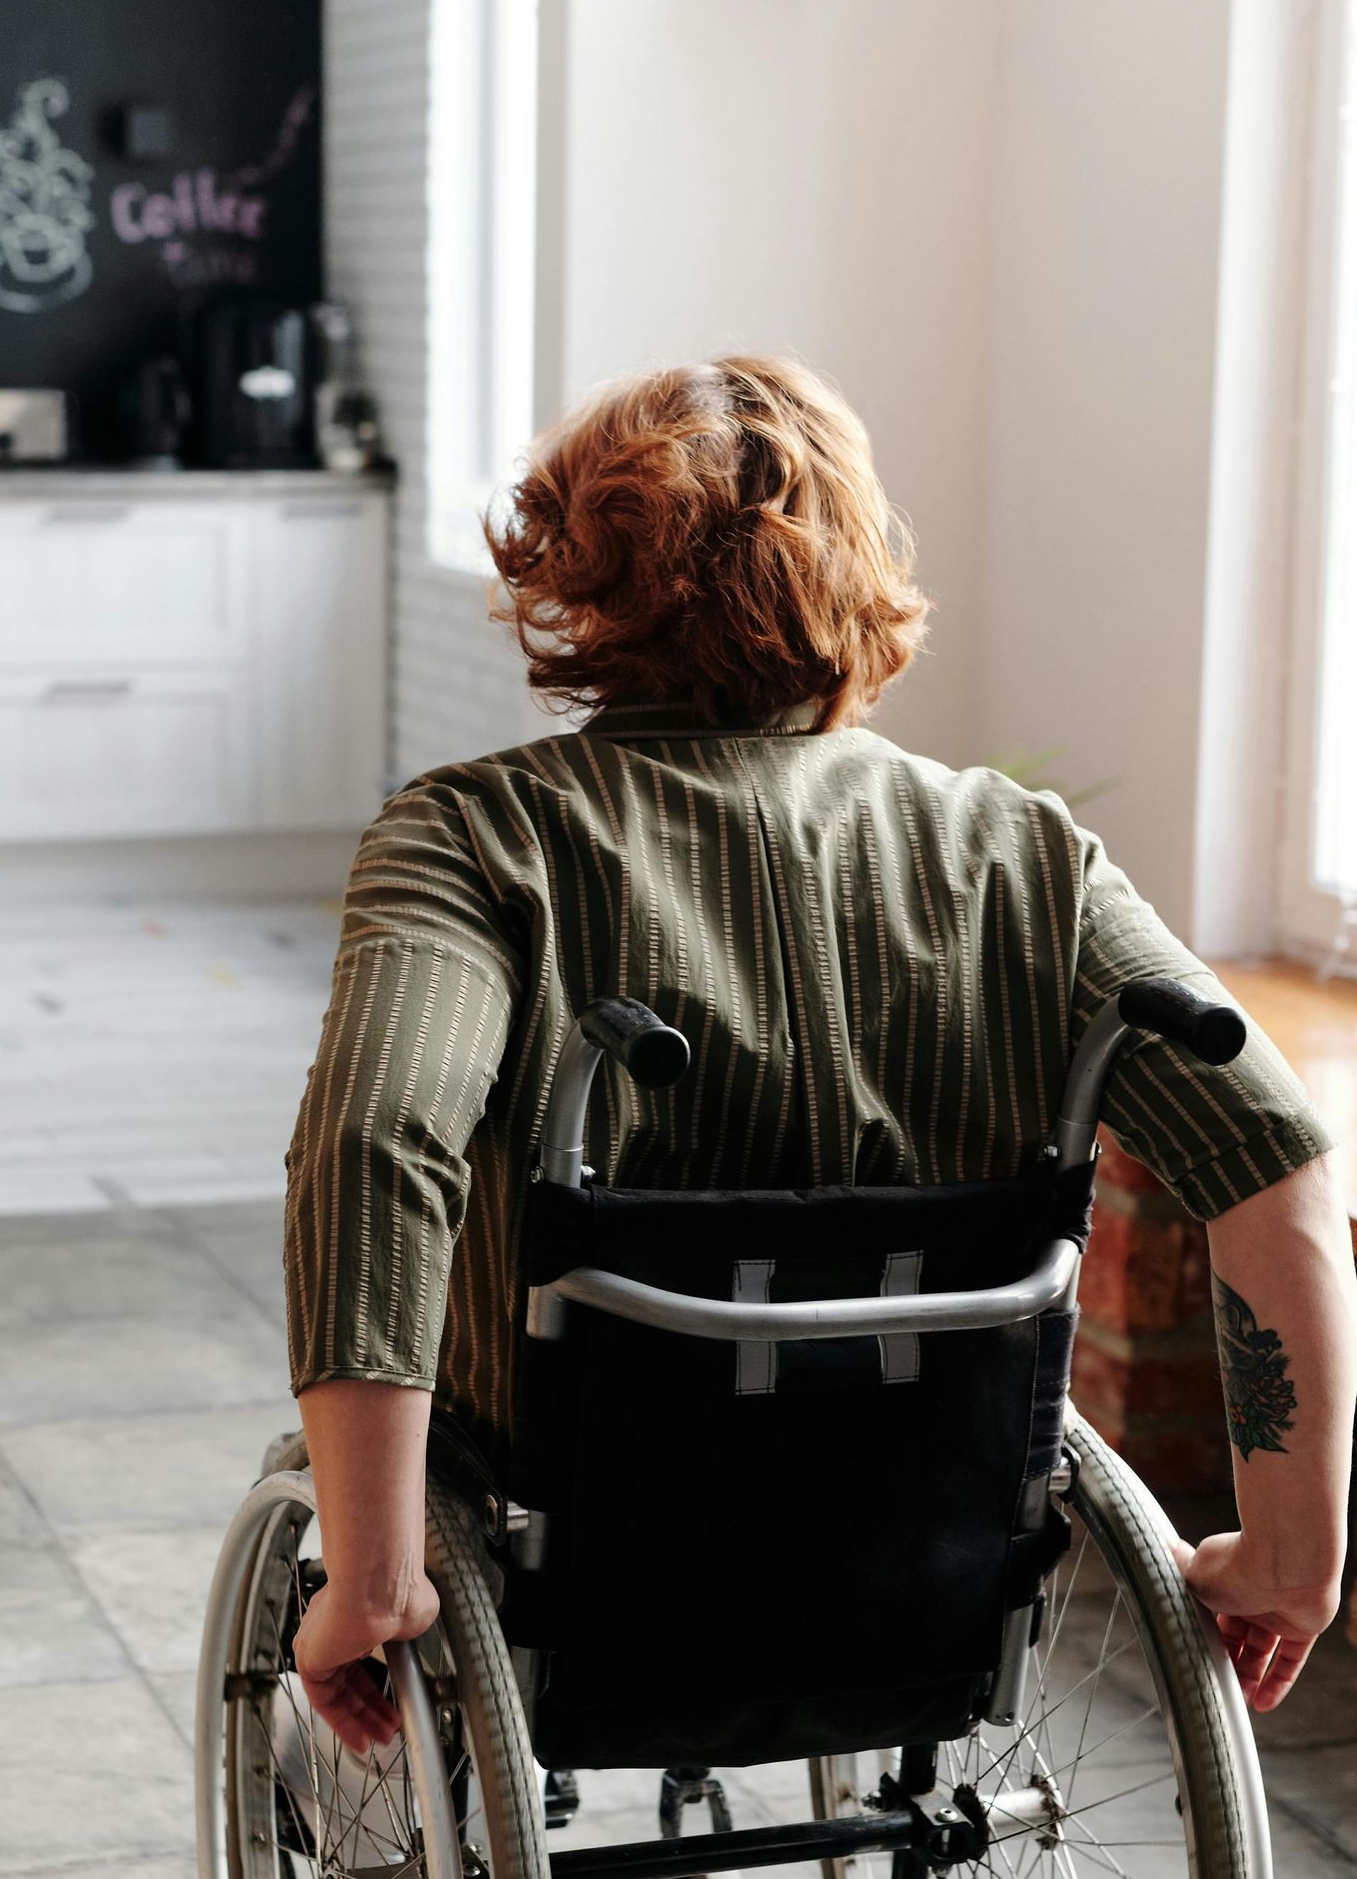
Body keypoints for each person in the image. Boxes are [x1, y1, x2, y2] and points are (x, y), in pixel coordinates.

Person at [283, 356, 1357, 1752]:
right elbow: (1275, 1170)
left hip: (596, 1501)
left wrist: (371, 1569)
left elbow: (378, 1141)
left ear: (574, 579)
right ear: (856, 572)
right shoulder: (1023, 854)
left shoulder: (477, 836)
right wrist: (1293, 1550)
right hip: (924, 1505)